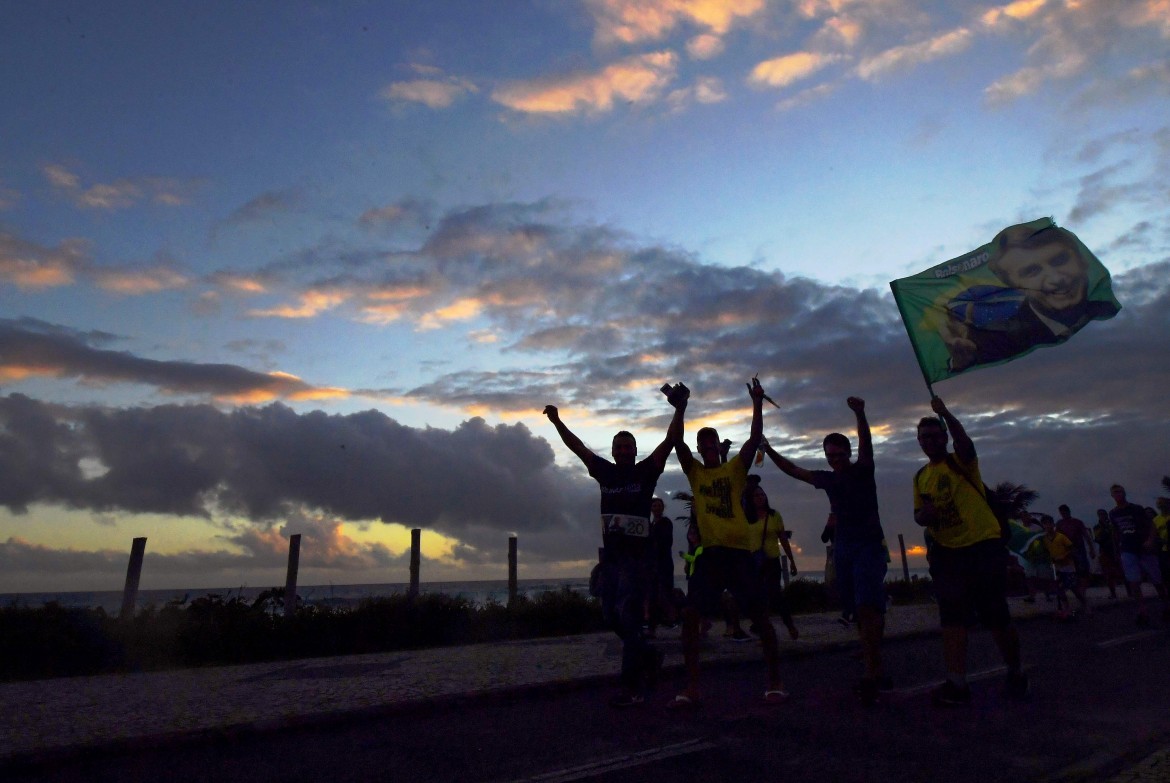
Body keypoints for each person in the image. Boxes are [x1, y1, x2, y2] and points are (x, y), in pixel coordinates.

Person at [543, 393, 683, 708]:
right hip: (612, 560)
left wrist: (680, 409)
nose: (622, 451)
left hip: (637, 562)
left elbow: (670, 440)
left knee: (628, 617)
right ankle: (648, 654)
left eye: (627, 447)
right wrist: (556, 421)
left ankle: (631, 689)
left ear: (635, 451)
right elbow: (577, 447)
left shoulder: (647, 471)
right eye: (618, 447)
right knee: (610, 616)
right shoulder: (604, 472)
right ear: (612, 451)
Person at [762, 396, 889, 705]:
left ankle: (872, 673)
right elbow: (794, 470)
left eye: (839, 453)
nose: (834, 459)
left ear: (847, 452)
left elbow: (866, 441)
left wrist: (860, 413)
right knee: (853, 604)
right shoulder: (827, 480)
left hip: (869, 544)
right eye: (829, 455)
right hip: (843, 545)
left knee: (866, 607)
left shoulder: (863, 470)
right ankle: (873, 648)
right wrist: (768, 450)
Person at [668, 379, 787, 708]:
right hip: (710, 558)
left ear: (719, 446)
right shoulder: (694, 473)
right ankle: (692, 687)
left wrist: (758, 403)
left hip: (739, 555)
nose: (707, 448)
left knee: (760, 617)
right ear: (698, 449)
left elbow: (752, 440)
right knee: (691, 617)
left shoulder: (735, 469)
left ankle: (775, 681)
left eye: (712, 443)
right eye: (702, 444)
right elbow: (675, 440)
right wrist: (681, 409)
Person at [913, 396, 1029, 706]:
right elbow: (919, 513)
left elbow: (964, 442)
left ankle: (1016, 670)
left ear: (944, 437)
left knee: (995, 614)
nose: (929, 441)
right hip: (948, 552)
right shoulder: (921, 476)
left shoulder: (960, 461)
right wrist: (925, 516)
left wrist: (945, 413)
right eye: (924, 438)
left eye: (935, 436)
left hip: (982, 546)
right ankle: (957, 683)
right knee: (951, 617)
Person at [940, 223, 1119, 372]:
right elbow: (979, 357)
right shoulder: (1000, 337)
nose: (1056, 279)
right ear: (1013, 285)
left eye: (1060, 260)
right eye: (1032, 271)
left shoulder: (1106, 309)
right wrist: (962, 361)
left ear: (1081, 259)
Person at [742, 476, 800, 642]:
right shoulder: (747, 518)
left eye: (762, 495)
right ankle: (763, 630)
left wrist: (792, 560)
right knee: (758, 597)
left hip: (771, 561)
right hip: (753, 562)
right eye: (756, 495)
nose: (760, 498)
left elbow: (783, 538)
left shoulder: (774, 515)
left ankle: (790, 626)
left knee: (776, 595)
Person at [1107, 485, 1170, 626]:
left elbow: (1151, 525)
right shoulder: (1113, 513)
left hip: (1144, 549)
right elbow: (1116, 531)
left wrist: (1150, 540)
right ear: (1112, 496)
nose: (1117, 494)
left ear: (1124, 493)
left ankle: (1166, 606)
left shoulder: (1136, 509)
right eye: (1114, 493)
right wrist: (1117, 550)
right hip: (1127, 550)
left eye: (1119, 492)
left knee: (1157, 580)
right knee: (1134, 581)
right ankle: (1143, 611)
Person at [1040, 516, 1088, 619]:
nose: (1047, 526)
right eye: (1045, 524)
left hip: (1067, 567)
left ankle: (1085, 605)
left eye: (1049, 523)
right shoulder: (1044, 539)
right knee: (1060, 589)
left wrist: (1064, 556)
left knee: (1073, 588)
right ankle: (1067, 610)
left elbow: (1073, 549)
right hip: (1056, 567)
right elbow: (1045, 552)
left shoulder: (1061, 537)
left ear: (1053, 525)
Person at [643, 498, 676, 637]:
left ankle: (673, 618)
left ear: (663, 508)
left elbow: (666, 542)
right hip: (652, 565)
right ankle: (652, 628)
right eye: (654, 505)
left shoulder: (665, 523)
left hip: (663, 563)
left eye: (659, 505)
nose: (656, 508)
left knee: (664, 594)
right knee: (652, 596)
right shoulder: (650, 525)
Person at [1056, 504, 1096, 600]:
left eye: (1065, 512)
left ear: (1069, 511)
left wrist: (1091, 549)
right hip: (1067, 552)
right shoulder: (1059, 523)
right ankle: (1076, 592)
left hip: (1079, 550)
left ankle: (1083, 592)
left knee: (1083, 571)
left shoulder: (1077, 522)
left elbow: (1086, 536)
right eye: (1061, 513)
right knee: (1069, 572)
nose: (1063, 514)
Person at [1093, 508, 1123, 599]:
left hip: (1116, 550)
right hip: (1105, 552)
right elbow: (1098, 538)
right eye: (1101, 514)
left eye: (1104, 514)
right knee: (1108, 574)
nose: (1103, 516)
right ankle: (1113, 593)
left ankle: (1130, 591)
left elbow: (1118, 535)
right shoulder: (1097, 527)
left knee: (1122, 571)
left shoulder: (1113, 525)